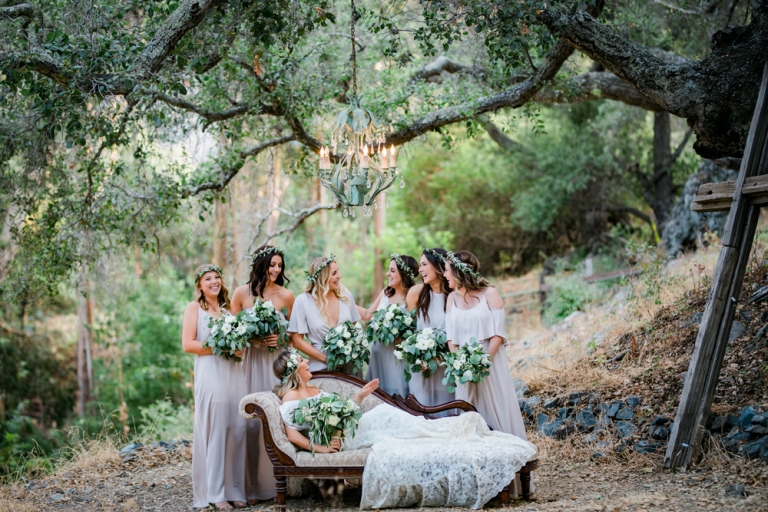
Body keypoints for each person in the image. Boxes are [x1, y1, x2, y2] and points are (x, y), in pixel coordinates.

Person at [273, 349, 537, 510]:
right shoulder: (291, 399)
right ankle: (445, 432)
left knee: (396, 418)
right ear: (293, 370)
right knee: (399, 426)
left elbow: (343, 411)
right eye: (301, 361)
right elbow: (293, 435)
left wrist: (361, 397)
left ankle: (452, 431)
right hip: (347, 438)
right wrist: (322, 449)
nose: (307, 362)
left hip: (356, 426)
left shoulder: (316, 388)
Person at [444, 250, 531, 497]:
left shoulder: (490, 294)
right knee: (470, 417)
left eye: (448, 269)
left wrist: (482, 363)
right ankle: (474, 484)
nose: (445, 274)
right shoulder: (451, 298)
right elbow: (451, 338)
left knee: (497, 411)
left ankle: (511, 481)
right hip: (463, 367)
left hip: (489, 364)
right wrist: (460, 363)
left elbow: (498, 334)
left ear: (460, 271)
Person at [230, 245, 294, 503]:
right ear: (260, 265)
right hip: (249, 363)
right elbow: (231, 331)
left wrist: (279, 338)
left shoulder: (287, 296)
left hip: (274, 365)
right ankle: (249, 486)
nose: (276, 270)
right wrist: (250, 338)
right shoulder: (240, 294)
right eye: (272, 265)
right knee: (249, 422)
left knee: (274, 421)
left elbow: (293, 335)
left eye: (280, 265)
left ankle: (275, 484)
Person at [182, 264, 248, 510]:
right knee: (218, 429)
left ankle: (236, 489)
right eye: (208, 278)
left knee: (238, 428)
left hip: (234, 374)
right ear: (199, 285)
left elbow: (239, 352)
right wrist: (220, 346)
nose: (214, 282)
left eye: (217, 277)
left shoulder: (227, 311)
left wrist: (237, 347)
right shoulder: (194, 309)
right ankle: (216, 492)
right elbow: (188, 344)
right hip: (211, 375)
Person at [287, 254, 362, 373]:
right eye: (334, 273)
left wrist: (345, 350)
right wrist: (326, 359)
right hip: (320, 365)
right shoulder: (303, 301)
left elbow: (353, 324)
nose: (340, 276)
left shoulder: (345, 294)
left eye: (338, 271)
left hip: (349, 362)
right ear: (322, 278)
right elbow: (297, 341)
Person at [359, 253, 419, 397]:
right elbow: (367, 315)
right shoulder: (386, 293)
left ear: (404, 274)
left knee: (396, 395)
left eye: (392, 271)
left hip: (396, 357)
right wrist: (345, 299)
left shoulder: (412, 296)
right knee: (375, 395)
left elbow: (415, 329)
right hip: (378, 354)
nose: (387, 274)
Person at [404, 248, 454, 413]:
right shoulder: (416, 293)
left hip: (446, 366)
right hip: (422, 367)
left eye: (424, 264)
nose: (420, 270)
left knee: (446, 412)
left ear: (438, 266)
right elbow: (408, 330)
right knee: (421, 411)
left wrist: (440, 357)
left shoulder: (454, 295)